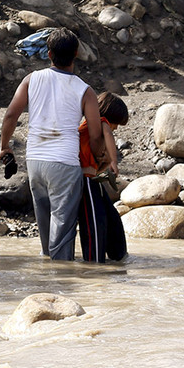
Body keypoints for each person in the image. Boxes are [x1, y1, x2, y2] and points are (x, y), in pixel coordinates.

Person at [0, 27, 106, 261]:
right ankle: (62, 282)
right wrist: (98, 160)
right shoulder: (85, 91)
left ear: (48, 54)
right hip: (65, 164)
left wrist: (4, 147)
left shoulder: (31, 79)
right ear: (76, 54)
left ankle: (46, 277)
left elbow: (10, 115)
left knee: (46, 231)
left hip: (35, 161)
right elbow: (96, 136)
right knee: (63, 230)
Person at [77, 91, 128, 263]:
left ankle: (118, 258)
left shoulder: (91, 130)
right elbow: (108, 133)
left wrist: (106, 164)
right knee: (94, 225)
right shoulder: (100, 122)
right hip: (85, 181)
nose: (116, 128)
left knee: (111, 218)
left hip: (92, 179)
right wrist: (114, 161)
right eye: (116, 123)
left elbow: (97, 165)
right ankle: (94, 266)